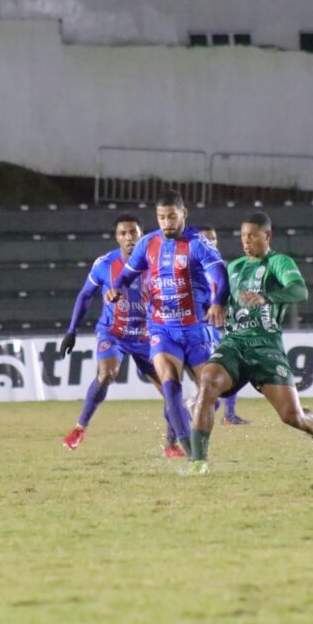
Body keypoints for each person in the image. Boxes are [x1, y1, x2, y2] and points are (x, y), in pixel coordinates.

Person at [188, 212, 313, 474]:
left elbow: (299, 291)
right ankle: (198, 463)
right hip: (234, 342)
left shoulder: (279, 262)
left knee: (293, 417)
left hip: (266, 346)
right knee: (208, 380)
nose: (246, 242)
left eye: (252, 236)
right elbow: (223, 295)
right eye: (243, 236)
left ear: (266, 236)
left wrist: (266, 297)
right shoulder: (233, 267)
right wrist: (218, 307)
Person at [107, 190, 229, 456]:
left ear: (183, 214)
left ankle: (193, 415)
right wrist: (116, 288)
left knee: (211, 394)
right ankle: (191, 450)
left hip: (197, 330)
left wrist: (218, 301)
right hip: (163, 329)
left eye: (172, 216)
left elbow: (221, 275)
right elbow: (127, 276)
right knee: (170, 383)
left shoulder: (198, 244)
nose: (167, 223)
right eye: (162, 217)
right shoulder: (148, 243)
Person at [59, 214, 186, 457]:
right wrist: (71, 330)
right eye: (123, 233)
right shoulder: (105, 264)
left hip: (148, 336)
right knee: (107, 374)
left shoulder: (157, 262)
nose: (129, 237)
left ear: (141, 234)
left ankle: (170, 445)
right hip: (114, 333)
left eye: (133, 232)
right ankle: (79, 428)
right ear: (117, 237)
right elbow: (86, 294)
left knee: (172, 391)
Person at [196, 225, 249, 426]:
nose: (211, 242)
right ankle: (196, 406)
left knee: (232, 366)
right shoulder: (194, 267)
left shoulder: (224, 266)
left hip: (222, 325)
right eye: (207, 239)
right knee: (207, 374)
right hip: (201, 327)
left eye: (214, 238)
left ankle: (229, 414)